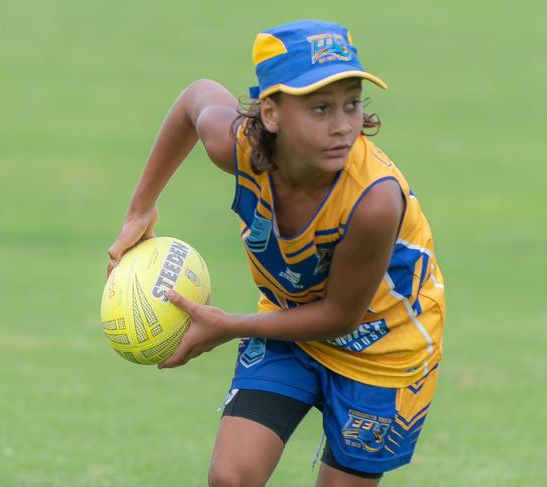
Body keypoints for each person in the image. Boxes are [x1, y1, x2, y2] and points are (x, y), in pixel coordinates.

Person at [107, 20, 445, 487]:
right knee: (231, 477)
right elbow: (195, 97)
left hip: (383, 352)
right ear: (271, 114)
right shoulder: (239, 148)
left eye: (351, 104)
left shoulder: (374, 201)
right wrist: (139, 209)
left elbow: (341, 316)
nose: (343, 126)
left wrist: (228, 326)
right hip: (291, 323)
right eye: (320, 108)